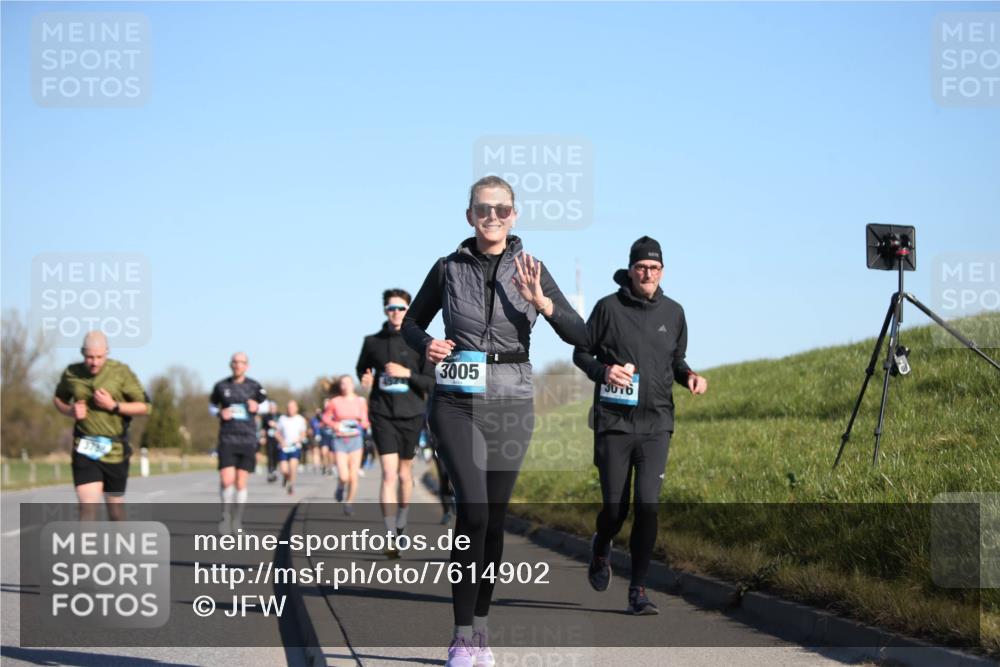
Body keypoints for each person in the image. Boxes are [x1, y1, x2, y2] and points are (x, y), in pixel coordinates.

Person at [401, 175, 587, 667]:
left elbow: (580, 334)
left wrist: (542, 301)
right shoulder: (446, 269)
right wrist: (427, 345)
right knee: (474, 513)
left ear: (515, 214)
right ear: (469, 216)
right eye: (483, 210)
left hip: (511, 402)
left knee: (496, 521)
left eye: (502, 209)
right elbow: (410, 323)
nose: (493, 218)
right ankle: (461, 638)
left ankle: (481, 628)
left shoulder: (532, 268)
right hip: (457, 402)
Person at [573, 236, 708, 615]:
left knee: (648, 506)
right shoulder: (607, 308)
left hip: (656, 424)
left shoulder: (674, 313)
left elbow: (676, 361)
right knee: (615, 509)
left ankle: (638, 589)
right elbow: (581, 353)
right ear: (630, 270)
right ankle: (602, 544)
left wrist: (690, 376)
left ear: (662, 271)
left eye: (654, 268)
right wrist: (604, 371)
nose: (647, 273)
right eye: (641, 267)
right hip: (614, 424)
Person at [356, 288, 436, 556]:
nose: (396, 313)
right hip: (382, 414)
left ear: (408, 310)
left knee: (405, 475)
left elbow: (430, 382)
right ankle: (390, 533)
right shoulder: (372, 342)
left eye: (401, 308)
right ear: (384, 310)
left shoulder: (421, 343)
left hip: (412, 414)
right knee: (388, 473)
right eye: (391, 308)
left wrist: (406, 373)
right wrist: (365, 378)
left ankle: (402, 521)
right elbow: (362, 369)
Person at [53, 331, 150, 521]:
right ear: (82, 353)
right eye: (89, 357)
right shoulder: (72, 373)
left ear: (107, 352)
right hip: (85, 446)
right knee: (87, 508)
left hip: (115, 449)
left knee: (115, 511)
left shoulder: (121, 372)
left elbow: (145, 407)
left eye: (99, 357)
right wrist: (70, 410)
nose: (94, 362)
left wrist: (114, 405)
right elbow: (58, 399)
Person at [210, 352, 268, 534]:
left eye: (241, 362)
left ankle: (238, 519)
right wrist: (220, 413)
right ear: (230, 365)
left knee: (241, 483)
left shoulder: (254, 386)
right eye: (235, 362)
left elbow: (267, 405)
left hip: (247, 439)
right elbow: (211, 406)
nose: (238, 365)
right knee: (226, 480)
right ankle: (226, 515)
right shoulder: (221, 386)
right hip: (227, 438)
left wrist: (257, 407)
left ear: (247, 366)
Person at [322, 375, 370, 515]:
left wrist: (363, 424)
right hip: (340, 440)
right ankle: (340, 486)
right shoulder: (335, 401)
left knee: (353, 475)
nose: (345, 386)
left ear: (353, 385)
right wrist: (334, 424)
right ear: (340, 386)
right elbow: (325, 417)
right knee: (344, 476)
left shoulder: (360, 401)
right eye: (343, 383)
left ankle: (349, 503)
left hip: (355, 439)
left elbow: (365, 419)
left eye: (348, 383)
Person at [276, 399, 308, 495]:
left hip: (295, 447)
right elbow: (277, 433)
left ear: (296, 408)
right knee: (284, 469)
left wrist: (298, 440)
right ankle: (286, 477)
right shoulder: (282, 418)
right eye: (289, 407)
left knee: (293, 467)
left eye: (292, 407)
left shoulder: (300, 419)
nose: (290, 409)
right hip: (284, 447)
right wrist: (281, 441)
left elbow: (303, 434)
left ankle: (291, 485)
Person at [260, 400, 280, 482]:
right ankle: (270, 471)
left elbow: (283, 427)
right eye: (270, 407)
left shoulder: (280, 416)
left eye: (273, 407)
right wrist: (263, 437)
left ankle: (275, 470)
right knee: (269, 455)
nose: (272, 409)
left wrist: (276, 425)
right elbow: (263, 429)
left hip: (278, 439)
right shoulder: (265, 416)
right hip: (269, 438)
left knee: (276, 455)